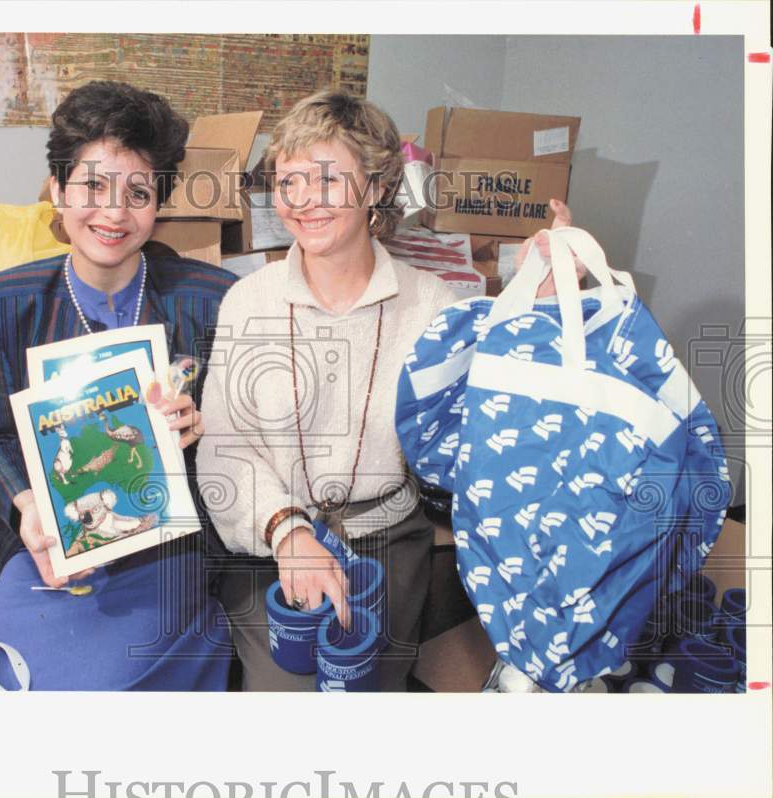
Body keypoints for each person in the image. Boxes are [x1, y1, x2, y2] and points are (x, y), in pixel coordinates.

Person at [196, 90, 574, 691]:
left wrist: (545, 303)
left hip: (388, 550)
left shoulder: (433, 304)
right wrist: (289, 532)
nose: (303, 202)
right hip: (272, 545)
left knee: (372, 701)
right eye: (289, 182)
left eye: (326, 179)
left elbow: (498, 422)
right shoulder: (250, 301)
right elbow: (225, 447)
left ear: (375, 187)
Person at [0, 80, 237, 690]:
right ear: (58, 189)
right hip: (49, 550)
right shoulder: (4, 304)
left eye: (137, 192)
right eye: (93, 186)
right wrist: (28, 506)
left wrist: (207, 429)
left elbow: (251, 452)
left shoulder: (209, 300)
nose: (114, 213)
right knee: (7, 682)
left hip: (170, 554)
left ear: (159, 202)